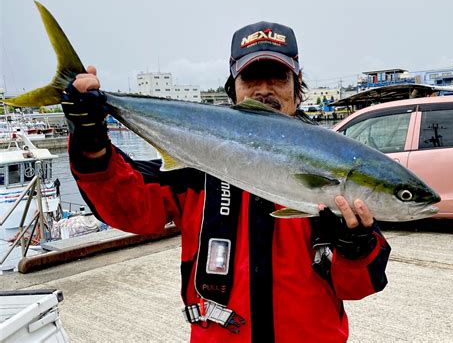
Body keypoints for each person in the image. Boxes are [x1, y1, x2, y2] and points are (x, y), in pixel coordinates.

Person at [62, 21, 391, 342]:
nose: (264, 90)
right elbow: (130, 208)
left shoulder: (333, 163)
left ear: (297, 85)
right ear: (233, 87)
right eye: (250, 78)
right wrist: (91, 144)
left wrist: (357, 248)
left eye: (277, 77)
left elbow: (359, 285)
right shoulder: (197, 163)